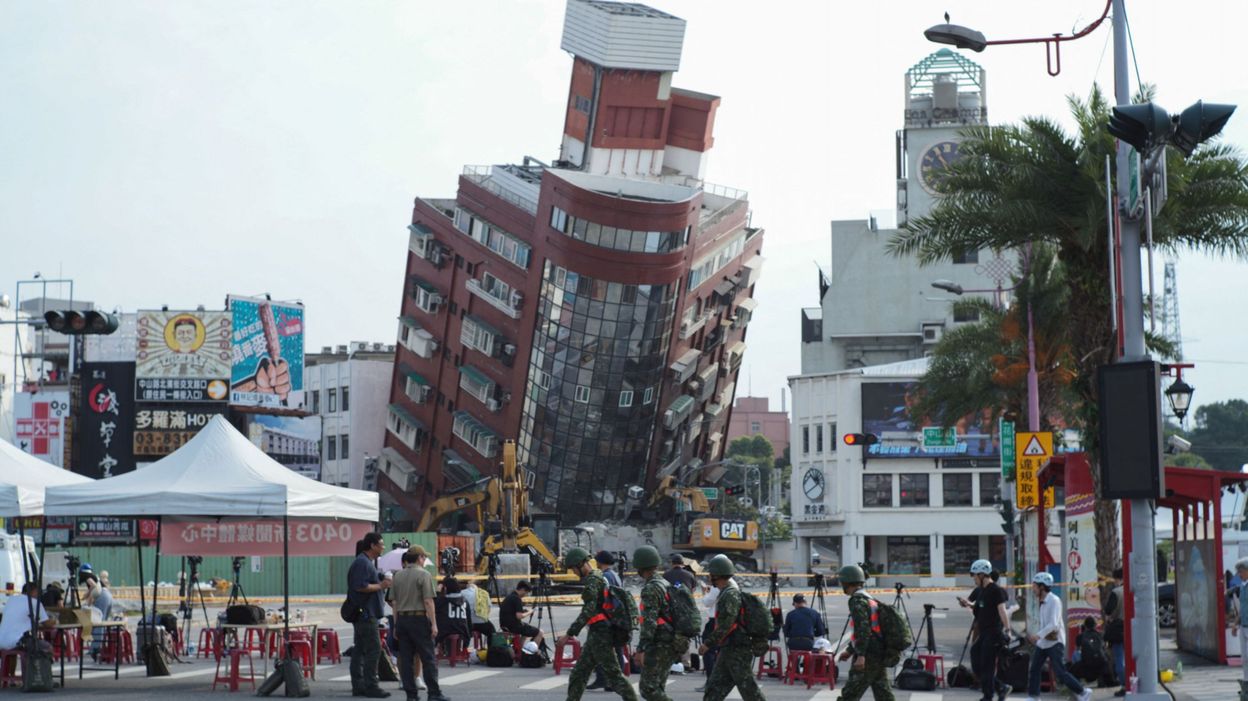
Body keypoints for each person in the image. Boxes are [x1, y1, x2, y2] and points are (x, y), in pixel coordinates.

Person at [561, 547, 638, 701]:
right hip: (597, 633)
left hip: (601, 634)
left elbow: (587, 611)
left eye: (573, 569)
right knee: (579, 674)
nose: (574, 573)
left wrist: (569, 634)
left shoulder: (593, 581)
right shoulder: (598, 576)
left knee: (614, 676)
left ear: (581, 564)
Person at [698, 554, 765, 701]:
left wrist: (708, 643)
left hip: (738, 649)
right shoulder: (725, 593)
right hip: (728, 648)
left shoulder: (730, 595)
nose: (709, 577)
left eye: (711, 574)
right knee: (713, 691)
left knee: (750, 692)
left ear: (717, 575)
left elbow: (726, 625)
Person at [391, 547, 447, 701]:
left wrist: (396, 625)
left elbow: (394, 603)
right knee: (427, 658)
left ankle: (411, 695)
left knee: (406, 660)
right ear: (420, 558)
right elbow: (428, 601)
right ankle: (434, 693)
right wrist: (434, 624)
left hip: (402, 620)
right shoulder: (424, 574)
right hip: (419, 619)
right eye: (424, 558)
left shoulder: (397, 576)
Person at [1026, 572, 1092, 701]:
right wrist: (1039, 638)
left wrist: (1037, 636)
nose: (1032, 589)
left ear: (1042, 587)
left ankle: (1083, 692)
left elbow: (1053, 624)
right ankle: (1034, 696)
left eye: (1034, 586)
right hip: (1044, 643)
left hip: (1055, 643)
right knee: (1034, 669)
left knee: (1060, 672)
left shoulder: (1054, 600)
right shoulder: (1042, 601)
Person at [633, 545, 685, 701]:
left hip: (660, 644)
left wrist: (641, 649)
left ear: (640, 566)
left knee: (648, 689)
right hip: (670, 641)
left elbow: (649, 622)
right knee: (658, 687)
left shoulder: (650, 588)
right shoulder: (663, 582)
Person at [835, 564, 892, 701]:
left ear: (847, 582)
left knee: (850, 694)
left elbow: (863, 629)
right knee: (883, 693)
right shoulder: (869, 599)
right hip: (878, 651)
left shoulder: (857, 601)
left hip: (868, 654)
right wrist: (850, 650)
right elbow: (869, 628)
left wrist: (860, 655)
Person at [956, 560, 1011, 701]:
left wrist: (1008, 630)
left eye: (975, 576)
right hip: (984, 632)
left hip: (994, 633)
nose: (974, 579)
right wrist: (968, 604)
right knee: (976, 659)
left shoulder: (996, 591)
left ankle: (988, 695)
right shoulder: (982, 591)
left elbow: (1002, 611)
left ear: (982, 575)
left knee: (987, 666)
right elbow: (980, 607)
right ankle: (1000, 687)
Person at [348, 532, 393, 698]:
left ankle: (359, 685)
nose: (383, 547)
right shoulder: (362, 563)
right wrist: (381, 585)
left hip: (366, 614)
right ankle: (371, 686)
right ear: (372, 545)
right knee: (374, 649)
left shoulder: (367, 563)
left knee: (360, 649)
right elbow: (361, 586)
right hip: (366, 615)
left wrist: (380, 578)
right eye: (381, 544)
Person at [588, 551, 625, 691]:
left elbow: (604, 598)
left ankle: (605, 680)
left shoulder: (605, 577)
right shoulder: (615, 575)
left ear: (600, 562)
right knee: (616, 650)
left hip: (608, 618)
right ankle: (610, 681)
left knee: (602, 649)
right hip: (617, 617)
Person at [0, 582, 56, 652]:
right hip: (17, 642)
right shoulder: (35, 603)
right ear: (33, 591)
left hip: (1, 641)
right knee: (47, 647)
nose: (38, 595)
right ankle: (32, 663)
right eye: (37, 592)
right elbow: (47, 624)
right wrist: (55, 620)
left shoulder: (11, 600)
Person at [694, 576, 722, 693]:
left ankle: (710, 682)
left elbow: (707, 602)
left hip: (714, 622)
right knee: (718, 653)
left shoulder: (717, 587)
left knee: (708, 651)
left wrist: (704, 592)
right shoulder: (731, 583)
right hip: (725, 622)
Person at [1101, 567, 1126, 695]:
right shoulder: (1134, 589)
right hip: (1134, 628)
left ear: (1117, 579)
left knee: (1119, 657)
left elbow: (1108, 611)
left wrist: (1108, 617)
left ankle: (1124, 685)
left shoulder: (1116, 592)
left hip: (1118, 628)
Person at [500, 581, 543, 647]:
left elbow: (512, 611)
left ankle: (519, 649)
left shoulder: (510, 596)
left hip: (504, 625)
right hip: (513, 626)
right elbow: (519, 616)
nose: (525, 595)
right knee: (540, 632)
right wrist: (530, 612)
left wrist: (524, 610)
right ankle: (533, 653)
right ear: (523, 589)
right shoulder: (517, 599)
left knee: (525, 632)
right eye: (526, 592)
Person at [1068, 617, 1108, 683]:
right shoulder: (1101, 634)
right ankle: (1101, 681)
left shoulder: (1080, 636)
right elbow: (1105, 648)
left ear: (1085, 626)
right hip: (1102, 664)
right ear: (1095, 625)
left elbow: (1077, 650)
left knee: (1073, 667)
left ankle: (1077, 685)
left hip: (1087, 665)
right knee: (1104, 657)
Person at [1231, 559, 1248, 688]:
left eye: (1241, 571)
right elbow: (1242, 607)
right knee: (1245, 657)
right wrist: (1235, 624)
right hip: (1243, 626)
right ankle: (1246, 682)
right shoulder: (1243, 587)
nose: (1239, 574)